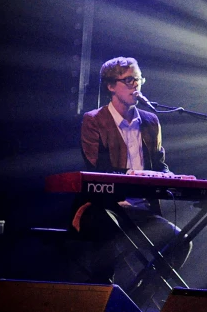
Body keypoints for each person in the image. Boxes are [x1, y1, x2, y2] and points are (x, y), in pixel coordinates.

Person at [73, 57, 191, 307]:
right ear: (111, 86)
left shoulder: (150, 121)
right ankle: (100, 300)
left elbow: (159, 165)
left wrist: (171, 177)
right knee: (106, 236)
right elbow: (98, 170)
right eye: (129, 80)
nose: (136, 85)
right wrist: (133, 175)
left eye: (138, 79)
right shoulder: (94, 120)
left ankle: (134, 302)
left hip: (140, 211)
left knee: (180, 242)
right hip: (103, 206)